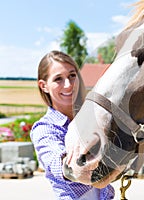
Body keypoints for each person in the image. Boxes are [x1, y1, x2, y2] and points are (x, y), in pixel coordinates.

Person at [30, 50, 115, 200]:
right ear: (43, 86)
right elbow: (59, 166)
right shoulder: (44, 129)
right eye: (58, 79)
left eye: (72, 76)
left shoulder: (91, 118)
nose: (68, 85)